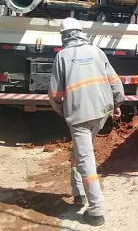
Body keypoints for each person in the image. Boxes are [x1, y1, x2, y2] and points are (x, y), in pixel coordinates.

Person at [48, 17, 125, 227]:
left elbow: (55, 93)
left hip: (79, 117)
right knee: (81, 151)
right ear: (81, 32)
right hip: (100, 113)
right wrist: (117, 104)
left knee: (86, 159)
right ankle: (78, 193)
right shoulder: (96, 51)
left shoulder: (62, 57)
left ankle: (96, 211)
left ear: (63, 35)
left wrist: (60, 108)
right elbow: (114, 81)